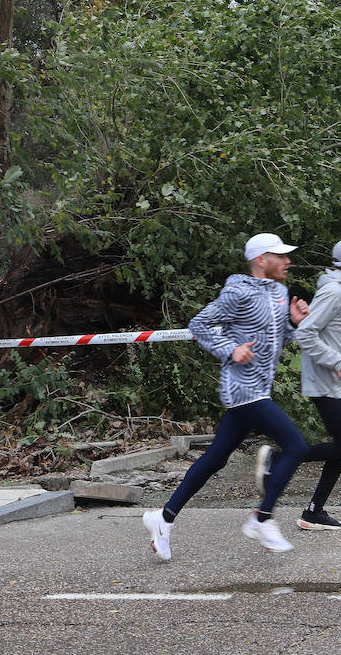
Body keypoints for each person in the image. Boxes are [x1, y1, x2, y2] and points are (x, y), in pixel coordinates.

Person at [142, 233, 311, 560]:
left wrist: (294, 322)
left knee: (215, 459)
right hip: (242, 390)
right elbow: (199, 324)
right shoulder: (238, 294)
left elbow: (277, 340)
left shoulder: (280, 291)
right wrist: (230, 350)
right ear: (262, 259)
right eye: (281, 255)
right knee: (297, 446)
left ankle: (163, 518)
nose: (288, 261)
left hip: (259, 388)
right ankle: (262, 518)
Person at [255, 237, 341, 530]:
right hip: (325, 381)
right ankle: (277, 462)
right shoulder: (333, 292)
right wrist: (335, 361)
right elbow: (306, 333)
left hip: (338, 383)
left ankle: (314, 511)